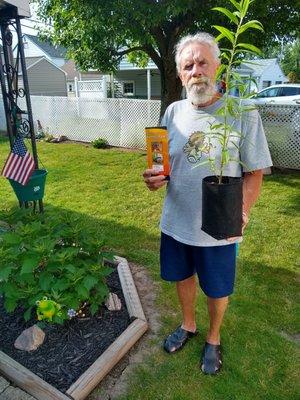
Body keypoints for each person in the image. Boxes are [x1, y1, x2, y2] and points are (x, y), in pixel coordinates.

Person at [142, 32, 272, 375]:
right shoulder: (172, 111)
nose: (196, 70)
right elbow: (166, 165)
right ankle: (188, 325)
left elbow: (255, 172)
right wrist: (157, 178)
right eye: (188, 65)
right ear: (180, 74)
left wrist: (242, 212)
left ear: (217, 66)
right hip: (176, 218)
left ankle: (213, 337)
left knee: (216, 286)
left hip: (219, 221)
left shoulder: (241, 111)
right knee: (182, 276)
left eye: (202, 62)